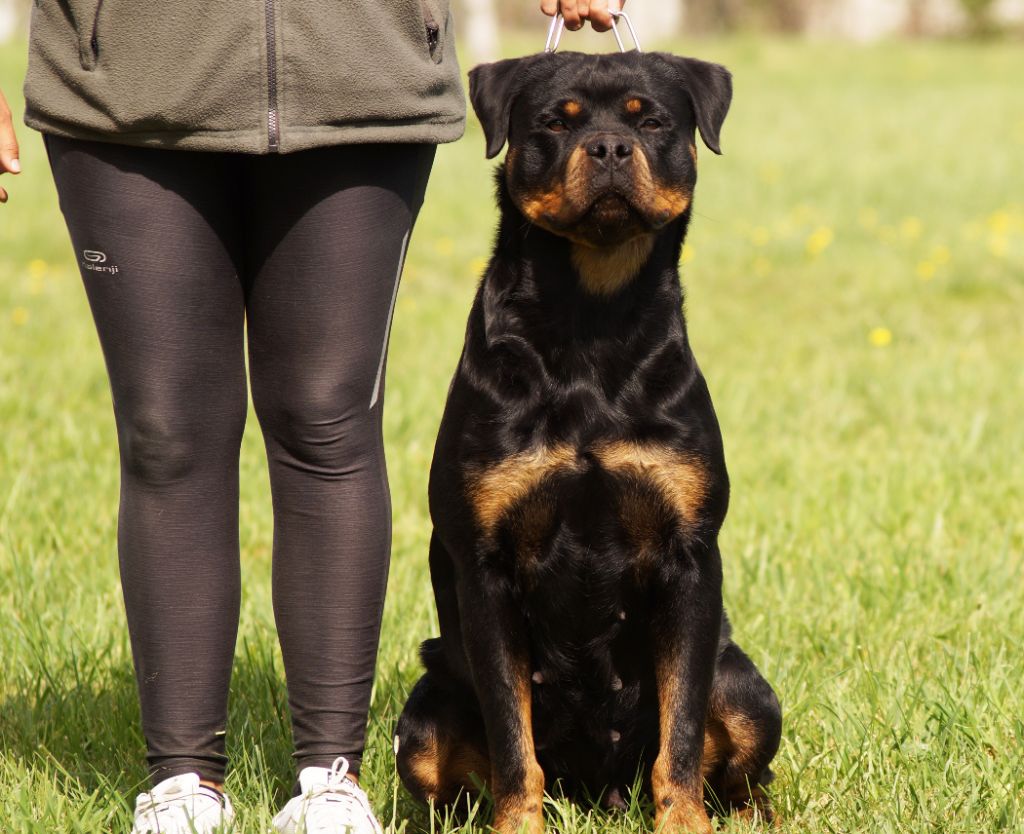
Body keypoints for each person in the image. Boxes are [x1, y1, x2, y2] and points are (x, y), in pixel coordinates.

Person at [0, 0, 622, 831]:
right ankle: (182, 781)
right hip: (122, 80)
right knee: (166, 435)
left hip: (361, 70)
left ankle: (331, 780)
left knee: (328, 420)